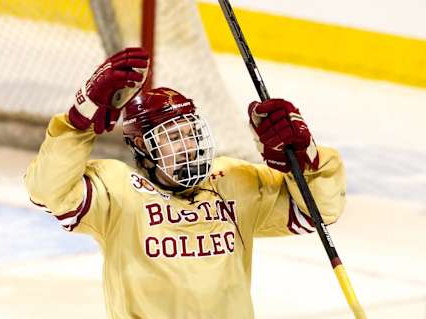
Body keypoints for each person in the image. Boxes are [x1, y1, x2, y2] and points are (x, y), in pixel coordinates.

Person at [25, 47, 345, 318]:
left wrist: (304, 158)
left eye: (191, 133)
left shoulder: (233, 181)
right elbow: (47, 191)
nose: (189, 145)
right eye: (173, 137)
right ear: (141, 147)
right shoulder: (116, 190)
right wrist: (77, 121)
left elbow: (320, 210)